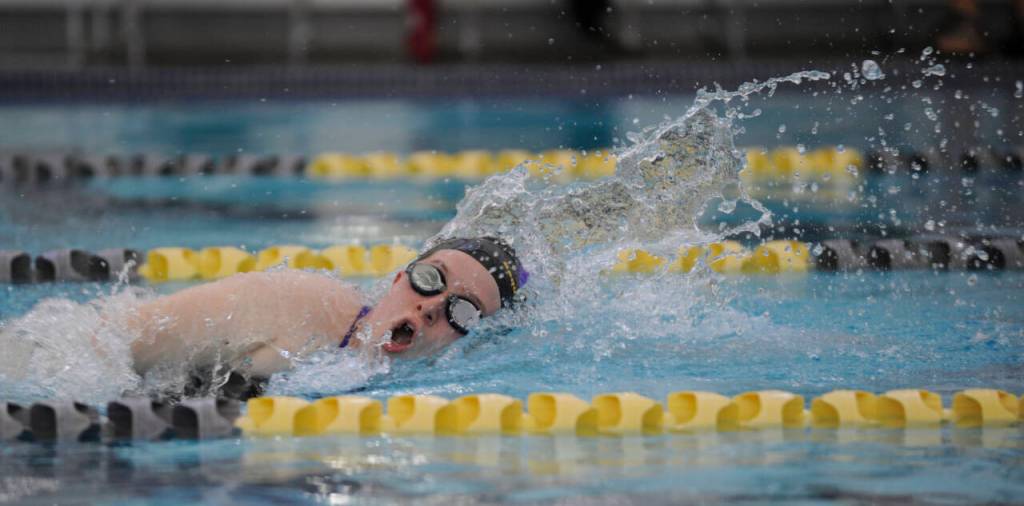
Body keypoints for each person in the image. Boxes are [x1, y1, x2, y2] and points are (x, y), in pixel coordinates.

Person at [124, 236, 526, 398]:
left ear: (466, 336)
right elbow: (118, 340)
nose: (433, 305)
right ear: (399, 278)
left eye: (463, 310)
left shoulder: (450, 391)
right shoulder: (297, 304)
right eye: (431, 278)